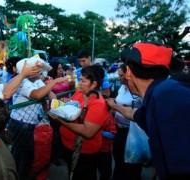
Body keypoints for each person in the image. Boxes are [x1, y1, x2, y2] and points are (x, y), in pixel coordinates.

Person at [106, 42, 190, 179]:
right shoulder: (158, 95)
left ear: (128, 72)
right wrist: (115, 106)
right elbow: (136, 114)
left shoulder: (167, 95)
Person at [50, 65, 112, 180]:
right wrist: (66, 104)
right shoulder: (80, 93)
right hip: (69, 147)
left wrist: (61, 121)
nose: (79, 82)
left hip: (84, 152)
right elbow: (74, 108)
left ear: (93, 84)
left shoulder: (99, 104)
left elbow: (87, 132)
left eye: (83, 80)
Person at [8, 57, 66, 179]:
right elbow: (37, 94)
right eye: (36, 68)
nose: (39, 71)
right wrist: (54, 82)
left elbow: (52, 96)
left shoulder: (36, 81)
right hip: (20, 125)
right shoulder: (22, 82)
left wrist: (47, 85)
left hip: (30, 124)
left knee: (28, 157)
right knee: (22, 157)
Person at [111, 64, 143, 180]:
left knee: (133, 161)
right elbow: (118, 101)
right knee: (119, 157)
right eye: (118, 76)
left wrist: (127, 109)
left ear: (129, 74)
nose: (120, 78)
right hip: (119, 128)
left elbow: (144, 110)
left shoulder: (138, 90)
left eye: (122, 75)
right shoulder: (122, 87)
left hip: (132, 131)